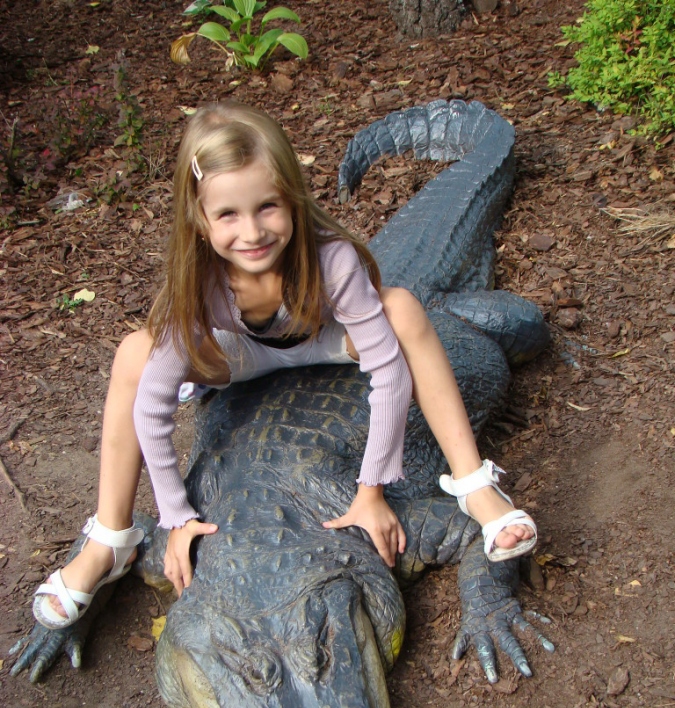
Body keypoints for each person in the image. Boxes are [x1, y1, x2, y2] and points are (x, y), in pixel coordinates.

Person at [33, 101, 536, 630]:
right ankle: (109, 539)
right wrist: (176, 518)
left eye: (268, 207)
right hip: (245, 357)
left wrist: (371, 491)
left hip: (325, 339)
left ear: (294, 202)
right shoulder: (200, 281)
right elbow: (152, 408)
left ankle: (474, 483)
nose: (252, 233)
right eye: (228, 214)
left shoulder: (332, 259)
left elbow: (389, 372)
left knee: (404, 309)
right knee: (137, 351)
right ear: (199, 221)